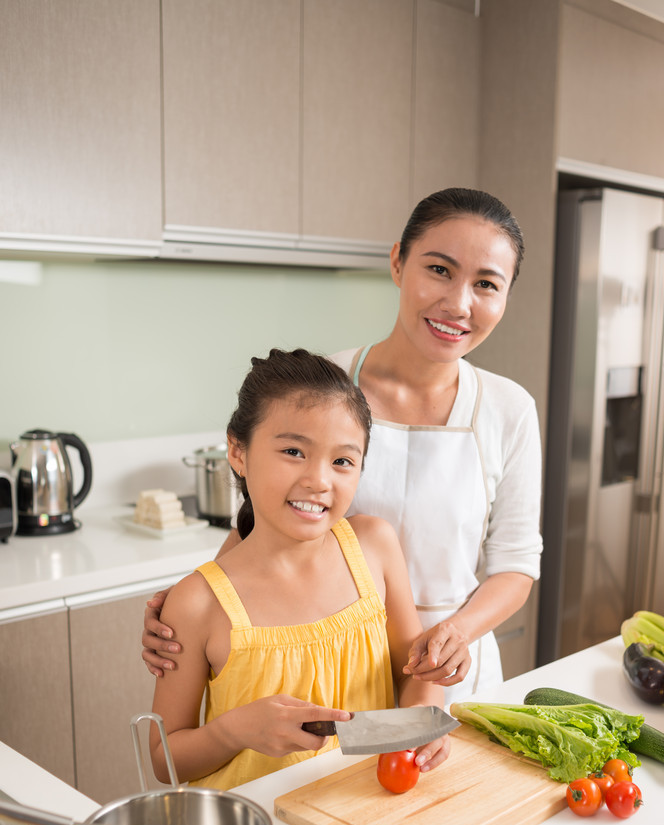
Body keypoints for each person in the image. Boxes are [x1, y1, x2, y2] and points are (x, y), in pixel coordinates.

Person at [143, 187, 542, 700]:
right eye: (439, 270)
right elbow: (259, 520)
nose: (459, 303)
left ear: (506, 297)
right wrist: (188, 609)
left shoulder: (509, 409)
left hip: (451, 672)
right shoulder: (328, 386)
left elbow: (515, 565)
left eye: (487, 284)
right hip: (331, 663)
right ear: (398, 262)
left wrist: (457, 633)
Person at [147, 348, 450, 790]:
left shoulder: (375, 547)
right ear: (237, 450)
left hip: (369, 812)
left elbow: (417, 675)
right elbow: (164, 761)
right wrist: (232, 731)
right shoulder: (196, 603)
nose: (320, 480)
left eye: (342, 461)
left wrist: (424, 727)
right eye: (293, 450)